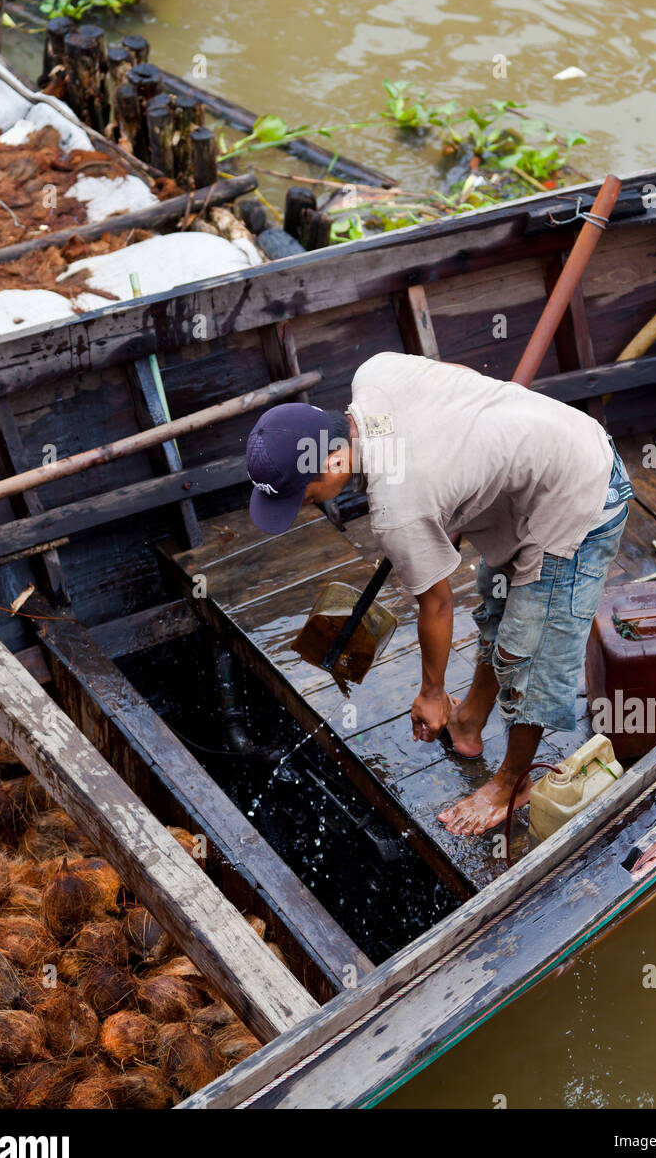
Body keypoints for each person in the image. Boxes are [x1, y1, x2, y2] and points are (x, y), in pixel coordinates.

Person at [246, 352, 632, 836]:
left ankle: (512, 783)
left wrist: (431, 692)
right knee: (498, 614)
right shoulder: (375, 371)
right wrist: (451, 487)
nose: (307, 507)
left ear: (334, 457)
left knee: (529, 651)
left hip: (580, 493)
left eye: (305, 495)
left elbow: (438, 603)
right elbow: (463, 383)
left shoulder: (398, 512)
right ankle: (468, 722)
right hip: (523, 487)